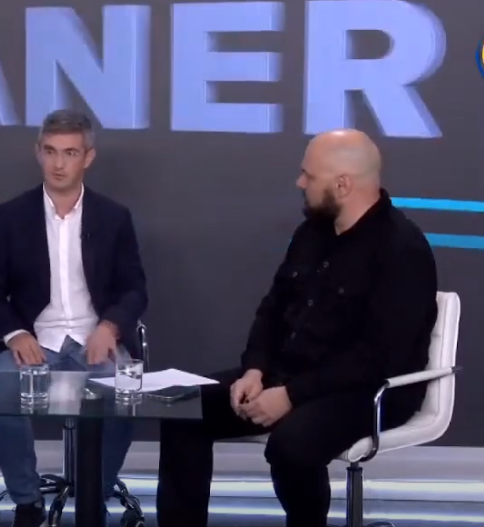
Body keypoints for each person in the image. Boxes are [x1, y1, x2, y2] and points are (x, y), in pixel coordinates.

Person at [155, 129, 439, 527]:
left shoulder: (402, 250)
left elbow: (378, 357)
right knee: (184, 410)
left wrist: (291, 395)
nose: (299, 183)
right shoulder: (311, 234)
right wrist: (255, 369)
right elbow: (273, 308)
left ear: (342, 185)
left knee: (292, 445)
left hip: (367, 391)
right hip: (289, 376)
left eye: (309, 175)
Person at [0, 109, 148, 527]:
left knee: (125, 392)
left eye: (70, 153)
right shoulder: (13, 215)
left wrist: (110, 327)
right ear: (38, 152)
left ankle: (94, 493)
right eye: (50, 151)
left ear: (88, 157)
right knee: (0, 386)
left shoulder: (113, 216)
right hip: (36, 343)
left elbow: (135, 289)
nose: (58, 163)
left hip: (95, 341)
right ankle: (27, 500)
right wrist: (15, 333)